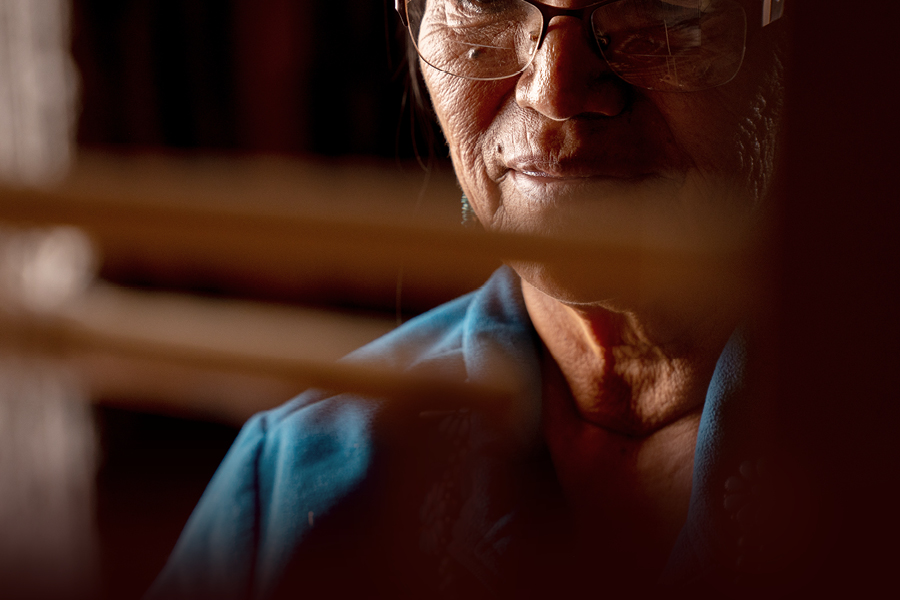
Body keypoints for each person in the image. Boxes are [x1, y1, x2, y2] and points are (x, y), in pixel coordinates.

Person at [149, 1, 800, 598]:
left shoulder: (850, 451)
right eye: (484, 1)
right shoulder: (298, 481)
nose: (555, 90)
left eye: (655, 7)